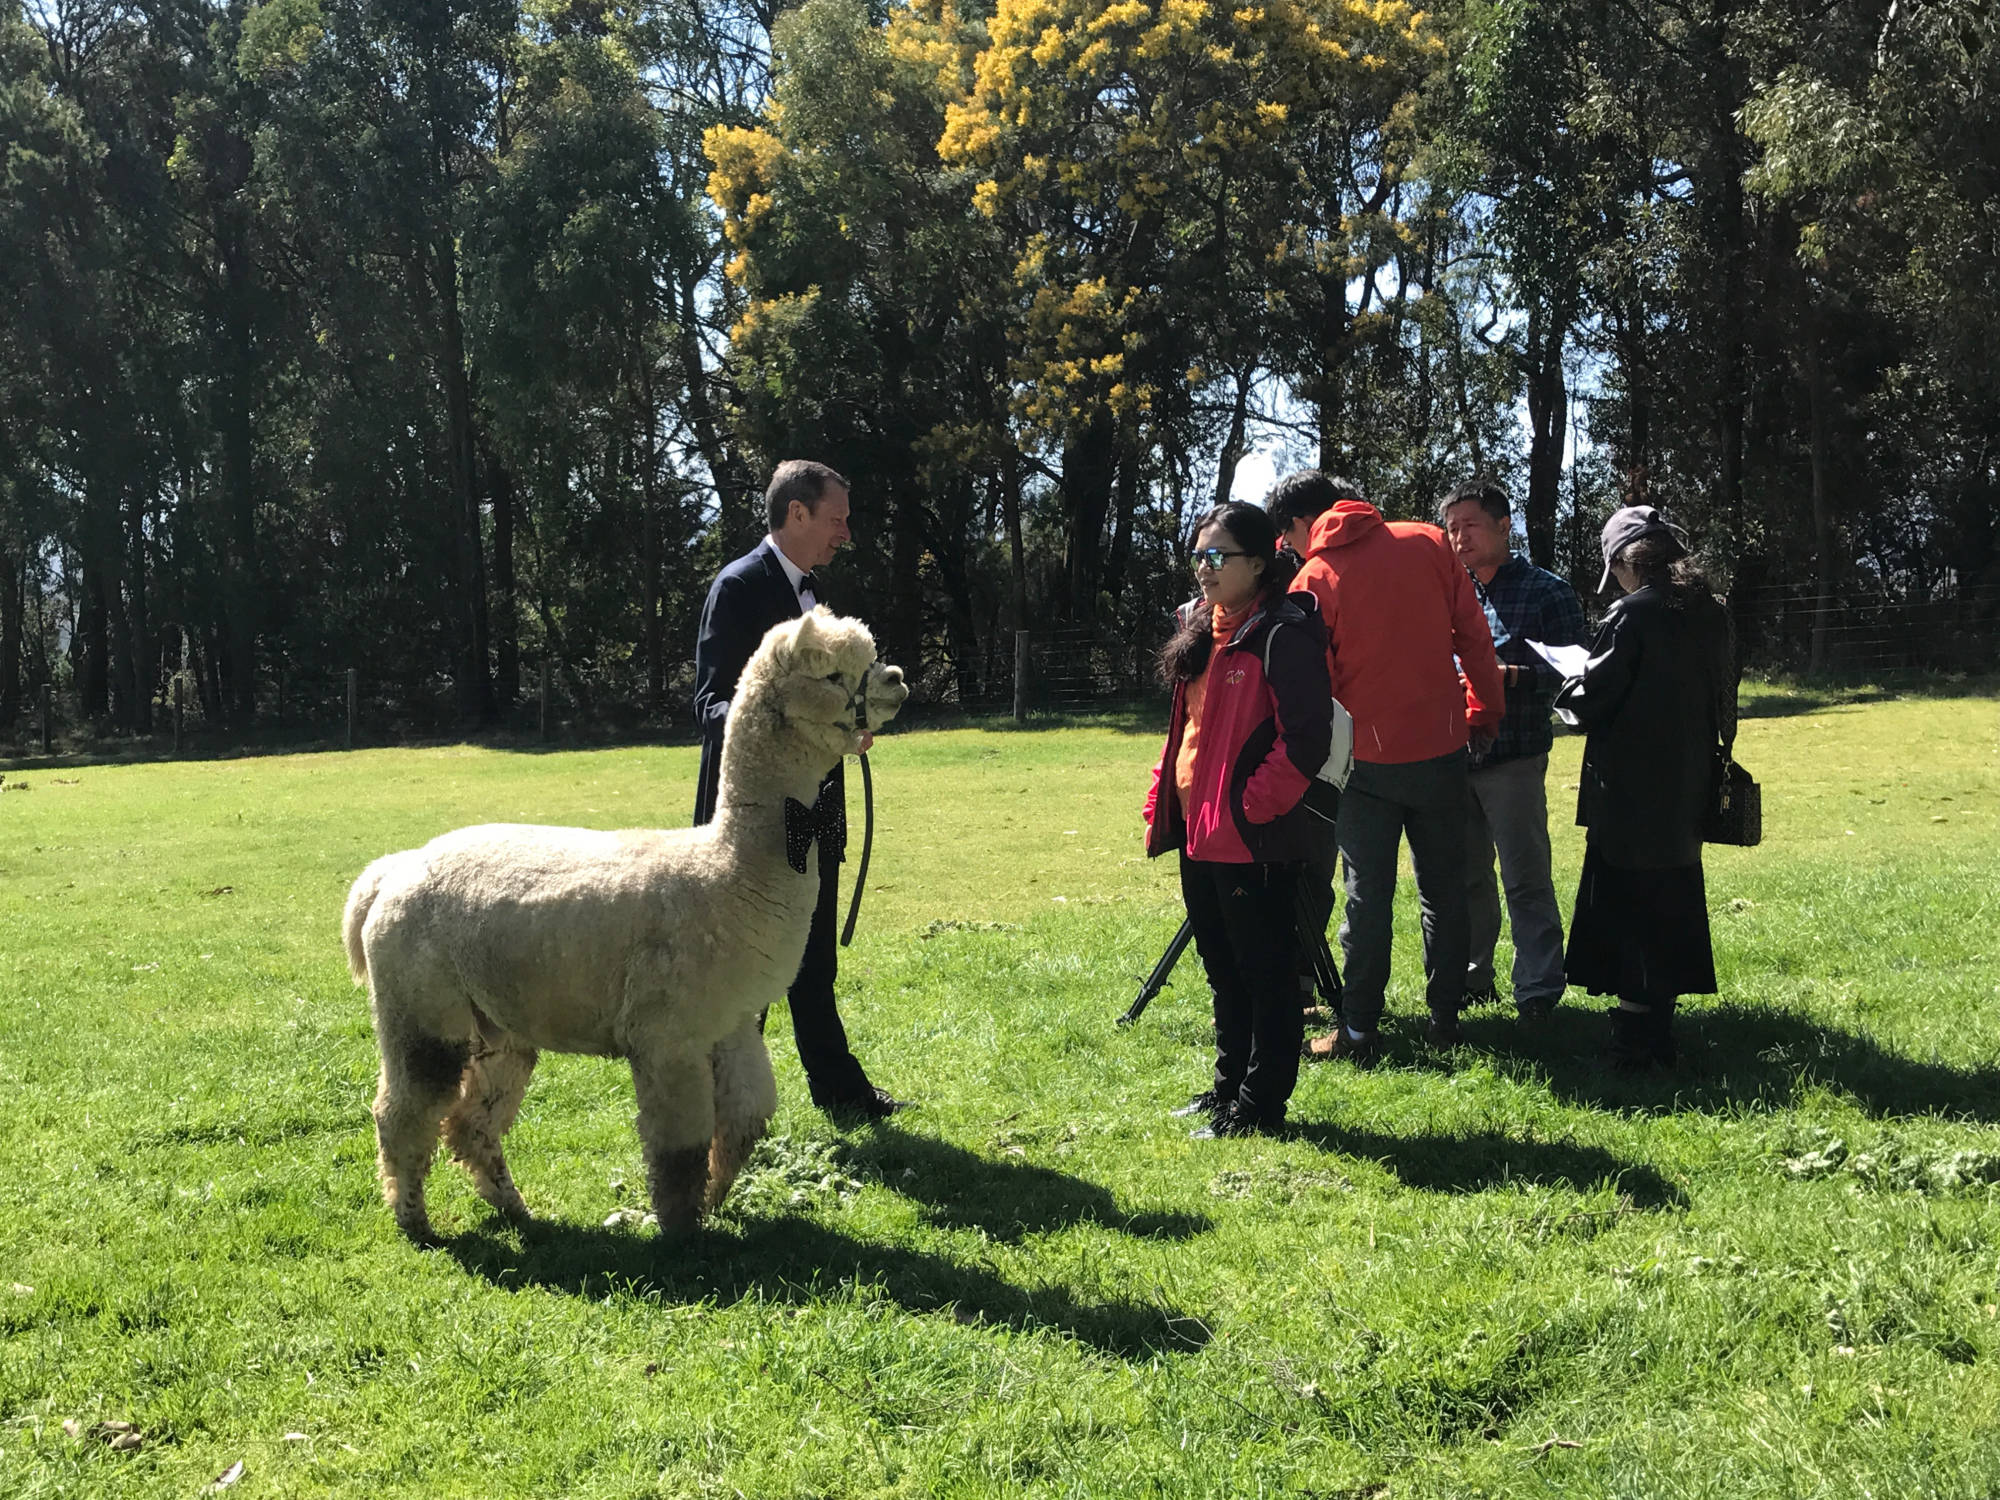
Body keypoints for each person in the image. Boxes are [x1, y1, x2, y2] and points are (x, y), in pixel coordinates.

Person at [1267, 471, 1504, 1064]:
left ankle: (1359, 1031)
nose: (1287, 550)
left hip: (1364, 763)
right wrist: (1484, 710)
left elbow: (1312, 684)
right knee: (1444, 890)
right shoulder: (1428, 541)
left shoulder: (1314, 577)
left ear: (1302, 524)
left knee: (1365, 895)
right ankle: (1446, 1019)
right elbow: (1475, 638)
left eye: (1285, 538)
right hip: (1443, 748)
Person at [692, 460, 904, 1120]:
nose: (846, 532)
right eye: (837, 519)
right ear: (798, 514)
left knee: (812, 956)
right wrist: (788, 727)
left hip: (817, 805)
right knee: (739, 962)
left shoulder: (813, 595)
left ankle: (839, 1092)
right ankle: (722, 1101)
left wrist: (849, 723)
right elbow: (710, 703)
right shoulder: (739, 587)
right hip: (755, 816)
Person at [1143, 502, 1335, 1137]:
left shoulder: (1284, 632)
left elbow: (1307, 737)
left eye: (1217, 556)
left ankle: (1260, 1105)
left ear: (1258, 563)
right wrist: (1163, 797)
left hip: (1254, 838)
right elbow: (1188, 733)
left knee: (1267, 975)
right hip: (1201, 835)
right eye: (1198, 555)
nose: (1204, 568)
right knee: (1223, 969)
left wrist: (1253, 805)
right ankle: (1228, 1089)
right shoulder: (1201, 629)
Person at [1554, 505, 1738, 1070]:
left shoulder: (1631, 614)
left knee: (1629, 907)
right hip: (1690, 779)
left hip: (1631, 786)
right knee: (1671, 901)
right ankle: (1658, 1029)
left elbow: (1593, 700)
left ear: (1624, 563)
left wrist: (1568, 682)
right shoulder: (1712, 612)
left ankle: (1635, 1043)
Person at [1439, 478, 1586, 1023]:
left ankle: (1539, 990)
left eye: (1470, 526)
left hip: (1515, 757)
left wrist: (1509, 676)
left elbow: (1577, 673)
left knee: (1525, 876)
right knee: (1466, 877)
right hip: (1454, 756)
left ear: (1504, 525)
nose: (1459, 538)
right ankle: (1474, 982)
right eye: (1451, 529)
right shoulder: (1447, 592)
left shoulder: (1548, 591)